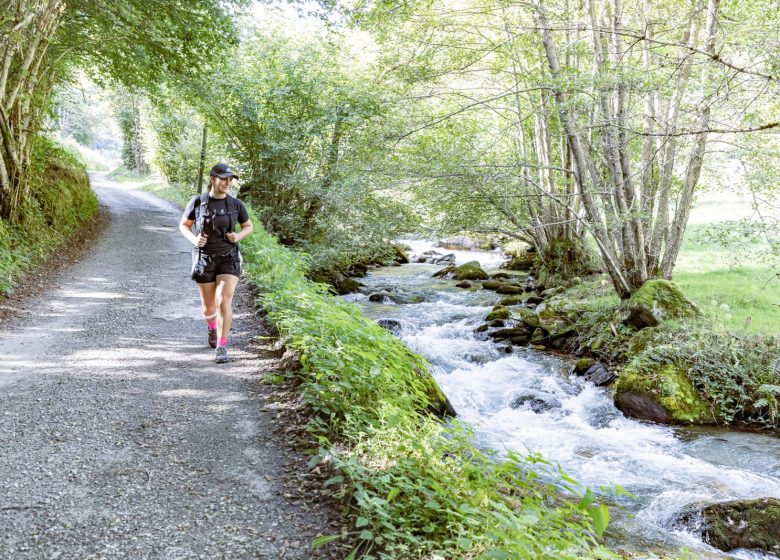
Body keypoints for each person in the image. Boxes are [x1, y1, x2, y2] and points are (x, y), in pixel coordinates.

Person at [179, 163, 253, 363]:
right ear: (213, 179)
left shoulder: (236, 204)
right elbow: (184, 225)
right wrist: (195, 239)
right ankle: (212, 328)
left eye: (230, 180)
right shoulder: (198, 202)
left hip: (229, 257)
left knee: (224, 301)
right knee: (208, 308)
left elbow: (248, 226)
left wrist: (237, 236)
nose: (228, 183)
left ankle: (222, 346)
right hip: (204, 258)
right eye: (224, 179)